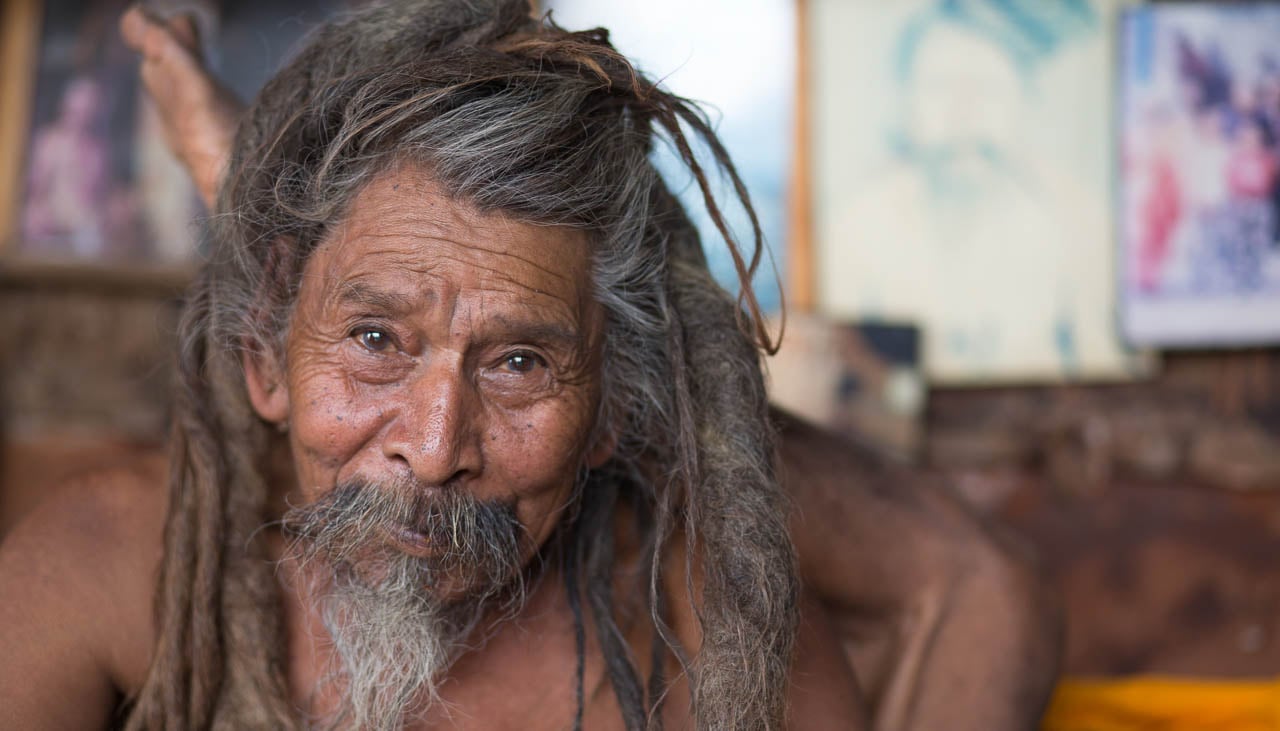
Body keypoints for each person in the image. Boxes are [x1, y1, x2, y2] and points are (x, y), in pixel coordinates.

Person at [0, 1, 1061, 729]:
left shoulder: (704, 630)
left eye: (516, 363)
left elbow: (985, 586)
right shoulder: (108, 566)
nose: (433, 443)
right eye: (375, 342)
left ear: (610, 413)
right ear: (263, 363)